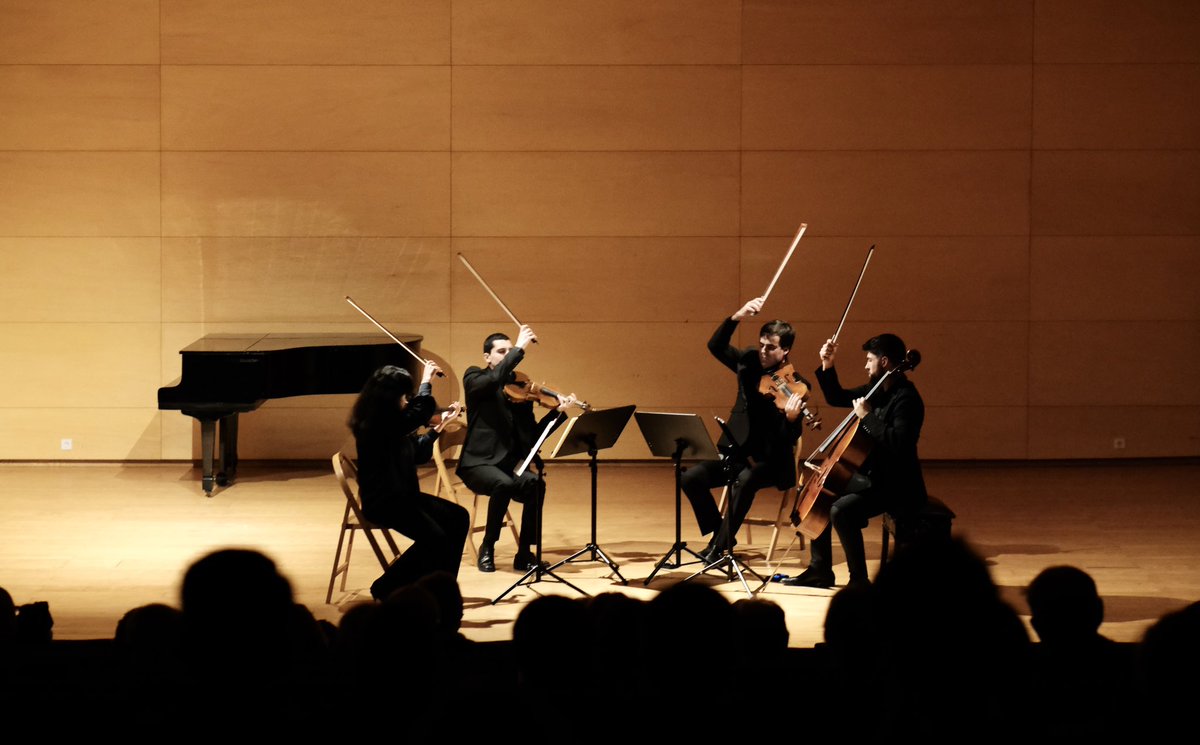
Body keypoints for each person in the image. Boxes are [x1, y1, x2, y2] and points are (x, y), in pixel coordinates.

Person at [784, 332, 926, 588]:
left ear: (884, 362)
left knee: (841, 510)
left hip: (897, 483)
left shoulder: (907, 398)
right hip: (874, 476)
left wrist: (868, 417)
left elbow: (900, 444)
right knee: (824, 492)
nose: (865, 365)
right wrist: (827, 364)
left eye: (869, 359)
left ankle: (859, 581)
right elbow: (837, 396)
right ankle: (820, 570)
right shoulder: (878, 390)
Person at [682, 296, 806, 564]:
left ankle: (719, 549)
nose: (763, 351)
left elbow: (788, 438)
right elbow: (715, 346)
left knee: (746, 480)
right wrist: (736, 316)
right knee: (691, 477)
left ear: (785, 350)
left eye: (770, 348)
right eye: (761, 345)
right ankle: (722, 536)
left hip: (770, 460)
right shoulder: (748, 363)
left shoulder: (796, 385)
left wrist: (792, 419)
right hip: (736, 451)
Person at [457, 324, 577, 572]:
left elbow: (532, 438)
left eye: (509, 351)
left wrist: (557, 414)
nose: (507, 355)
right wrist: (521, 348)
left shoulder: (520, 392)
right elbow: (492, 380)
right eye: (502, 351)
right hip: (478, 464)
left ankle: (524, 553)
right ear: (487, 357)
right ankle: (487, 546)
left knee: (535, 484)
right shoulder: (474, 378)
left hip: (509, 466)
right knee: (503, 483)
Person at [350, 362, 469, 600]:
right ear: (389, 397)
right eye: (403, 396)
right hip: (384, 502)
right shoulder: (374, 423)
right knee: (435, 539)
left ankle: (442, 590)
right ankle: (386, 586)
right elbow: (420, 410)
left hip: (404, 497)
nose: (406, 402)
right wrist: (426, 382)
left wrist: (439, 427)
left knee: (458, 517)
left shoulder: (391, 422)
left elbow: (419, 453)